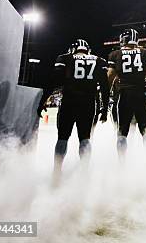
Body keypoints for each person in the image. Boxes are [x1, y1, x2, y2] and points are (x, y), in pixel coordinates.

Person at [37, 39, 109, 177]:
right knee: (85, 138)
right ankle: (84, 172)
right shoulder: (99, 61)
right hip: (88, 104)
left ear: (73, 49)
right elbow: (104, 88)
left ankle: (57, 171)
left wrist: (43, 101)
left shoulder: (65, 58)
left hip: (69, 102)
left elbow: (53, 81)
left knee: (62, 137)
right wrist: (105, 109)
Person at [107, 28, 146, 157]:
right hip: (141, 95)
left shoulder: (115, 54)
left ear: (123, 39)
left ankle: (122, 163)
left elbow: (109, 79)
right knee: (145, 130)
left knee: (122, 132)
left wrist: (105, 97)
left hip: (124, 96)